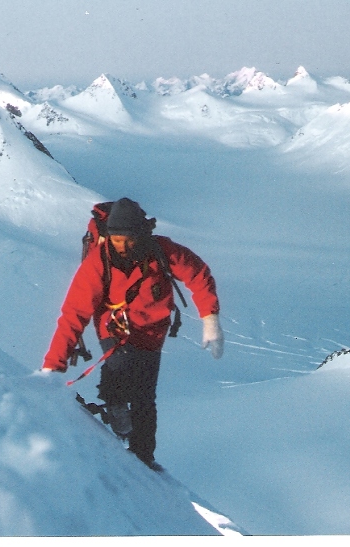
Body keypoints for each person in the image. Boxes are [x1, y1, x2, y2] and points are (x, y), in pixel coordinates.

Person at [42, 197, 224, 468]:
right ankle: (115, 405)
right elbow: (73, 315)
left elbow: (198, 274)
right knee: (120, 365)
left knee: (144, 394)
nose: (123, 247)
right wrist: (52, 369)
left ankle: (143, 455)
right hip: (113, 325)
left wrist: (210, 319)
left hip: (152, 330)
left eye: (128, 240)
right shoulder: (97, 263)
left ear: (142, 234)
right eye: (116, 240)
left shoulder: (163, 250)